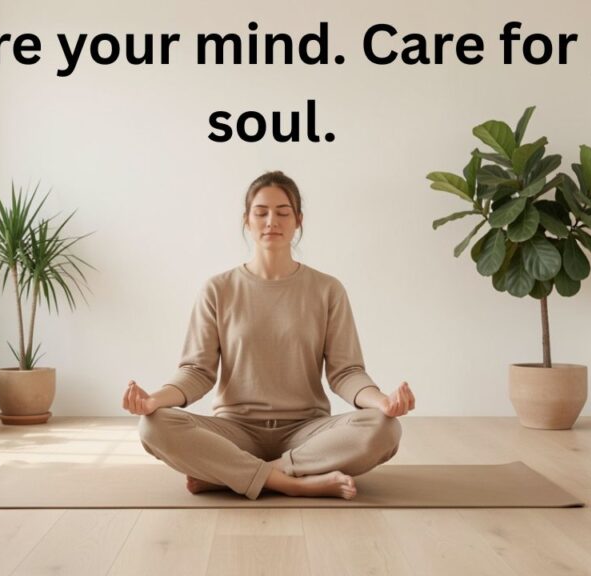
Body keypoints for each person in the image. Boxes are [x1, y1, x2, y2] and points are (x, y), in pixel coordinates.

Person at [123, 170, 416, 500]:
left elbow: (345, 372)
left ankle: (230, 476)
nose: (271, 221)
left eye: (283, 212)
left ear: (298, 220)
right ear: (247, 220)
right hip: (235, 430)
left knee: (384, 428)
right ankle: (291, 482)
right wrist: (153, 401)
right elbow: (196, 372)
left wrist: (384, 402)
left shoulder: (327, 289)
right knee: (153, 425)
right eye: (260, 212)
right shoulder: (218, 289)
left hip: (307, 430)